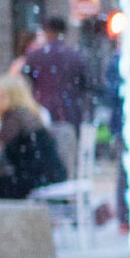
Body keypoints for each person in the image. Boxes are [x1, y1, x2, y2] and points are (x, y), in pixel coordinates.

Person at [23, 15, 97, 180]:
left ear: (47, 32)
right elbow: (88, 86)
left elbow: (25, 83)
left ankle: (50, 185)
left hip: (42, 116)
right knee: (70, 160)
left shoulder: (35, 56)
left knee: (44, 157)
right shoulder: (76, 57)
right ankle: (67, 187)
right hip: (70, 115)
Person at [0, 75, 67, 200]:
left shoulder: (13, 117)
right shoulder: (31, 114)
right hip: (52, 174)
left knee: (3, 183)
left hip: (36, 177)